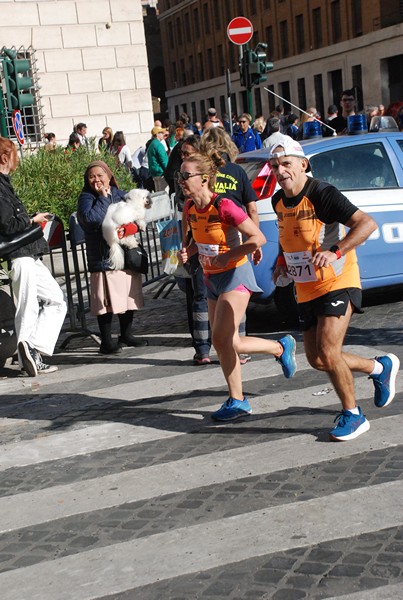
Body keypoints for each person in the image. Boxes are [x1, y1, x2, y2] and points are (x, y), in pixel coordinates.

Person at [268, 136, 400, 441]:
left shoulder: (322, 193)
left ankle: (353, 414)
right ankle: (378, 368)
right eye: (275, 166)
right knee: (317, 359)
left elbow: (366, 223)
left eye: (286, 164)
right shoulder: (278, 201)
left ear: (303, 165)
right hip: (306, 286)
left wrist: (335, 251)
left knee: (329, 351)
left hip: (337, 280)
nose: (280, 171)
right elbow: (289, 237)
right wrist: (281, 261)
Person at [177, 153, 297, 421]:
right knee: (228, 342)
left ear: (204, 179)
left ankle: (239, 398)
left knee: (220, 339)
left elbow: (259, 238)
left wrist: (230, 255)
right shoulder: (189, 208)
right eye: (179, 176)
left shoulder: (225, 205)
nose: (181, 181)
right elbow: (199, 241)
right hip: (211, 277)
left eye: (186, 176)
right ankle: (276, 352)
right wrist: (189, 251)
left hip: (235, 275)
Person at [0, 137, 67, 376]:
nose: (17, 160)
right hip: (19, 256)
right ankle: (29, 352)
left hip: (27, 254)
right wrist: (32, 221)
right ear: (5, 156)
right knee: (27, 307)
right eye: (14, 154)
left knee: (56, 299)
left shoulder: (4, 183)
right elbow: (8, 225)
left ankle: (31, 348)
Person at [77, 161, 147, 354]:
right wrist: (102, 198)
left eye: (100, 175)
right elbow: (91, 220)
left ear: (108, 176)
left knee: (127, 295)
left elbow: (134, 213)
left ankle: (126, 334)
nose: (96, 180)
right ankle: (106, 341)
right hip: (102, 256)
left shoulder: (119, 193)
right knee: (105, 301)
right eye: (92, 176)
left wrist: (131, 227)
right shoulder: (86, 197)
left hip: (125, 253)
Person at [147, 126, 169, 192]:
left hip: (154, 173)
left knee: (158, 193)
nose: (163, 134)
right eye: (161, 133)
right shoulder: (159, 145)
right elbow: (164, 160)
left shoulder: (151, 145)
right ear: (157, 134)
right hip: (161, 173)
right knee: (164, 194)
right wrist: (168, 170)